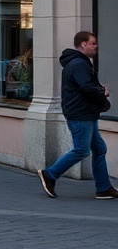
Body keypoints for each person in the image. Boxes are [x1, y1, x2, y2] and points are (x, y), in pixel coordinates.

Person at [38, 31, 118, 199]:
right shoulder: (79, 64)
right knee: (82, 149)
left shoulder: (76, 63)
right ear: (83, 44)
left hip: (84, 112)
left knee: (99, 148)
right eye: (93, 43)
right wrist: (102, 91)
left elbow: (84, 86)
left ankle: (103, 188)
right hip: (81, 113)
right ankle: (50, 174)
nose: (95, 47)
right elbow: (86, 87)